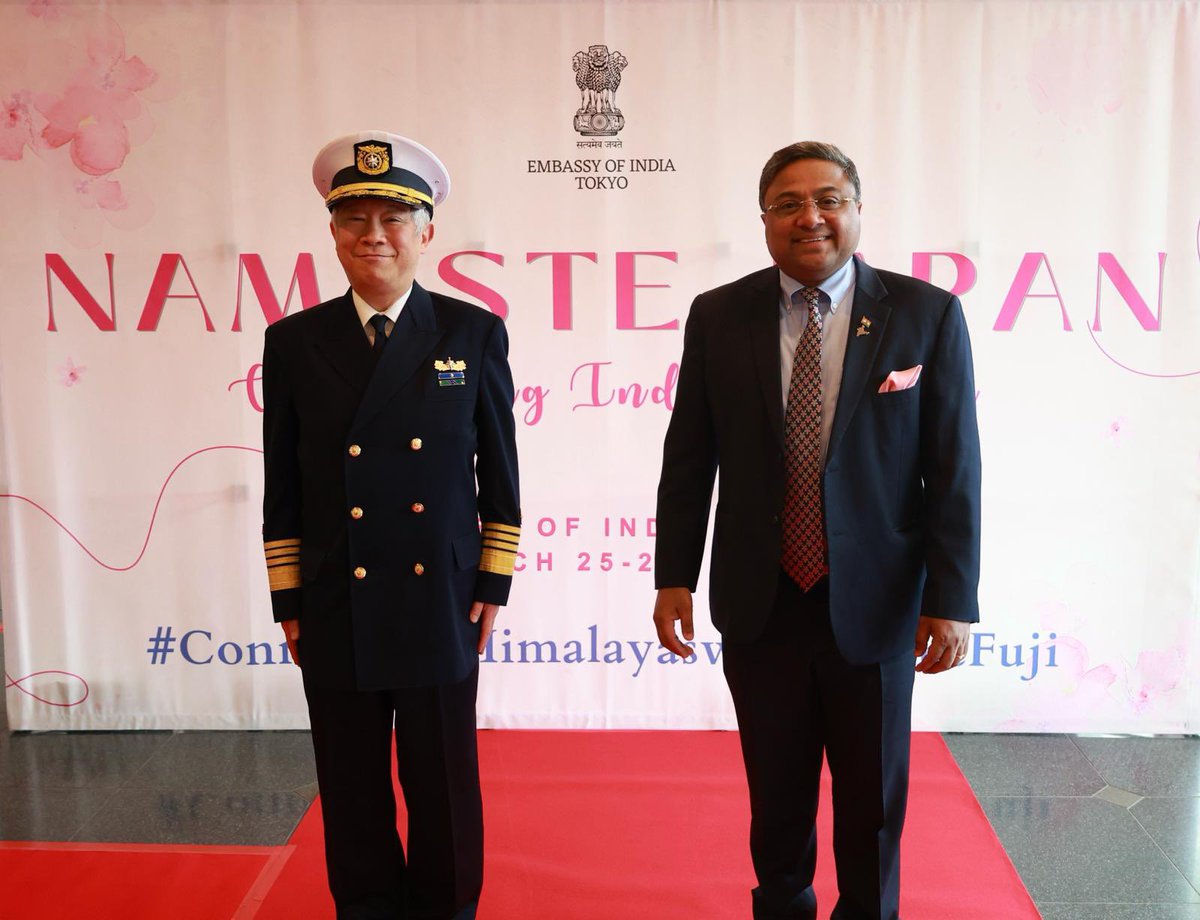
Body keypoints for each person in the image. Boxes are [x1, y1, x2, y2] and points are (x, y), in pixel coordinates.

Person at [652, 141, 981, 920]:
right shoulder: (719, 314)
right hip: (761, 599)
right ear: (764, 219)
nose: (811, 217)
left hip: (875, 601)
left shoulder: (924, 313)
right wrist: (674, 575)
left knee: (872, 804)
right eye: (789, 203)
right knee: (776, 793)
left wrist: (954, 596)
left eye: (829, 199)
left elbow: (954, 465)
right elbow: (689, 455)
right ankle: (785, 905)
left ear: (857, 210)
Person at [261, 130, 521, 920]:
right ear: (333, 232)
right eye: (355, 218)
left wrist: (492, 580)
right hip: (339, 592)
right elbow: (284, 483)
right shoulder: (295, 340)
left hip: (438, 593)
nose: (375, 234)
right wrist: (289, 598)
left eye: (395, 217)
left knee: (443, 782)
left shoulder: (470, 333)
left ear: (427, 232)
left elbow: (500, 471)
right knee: (350, 785)